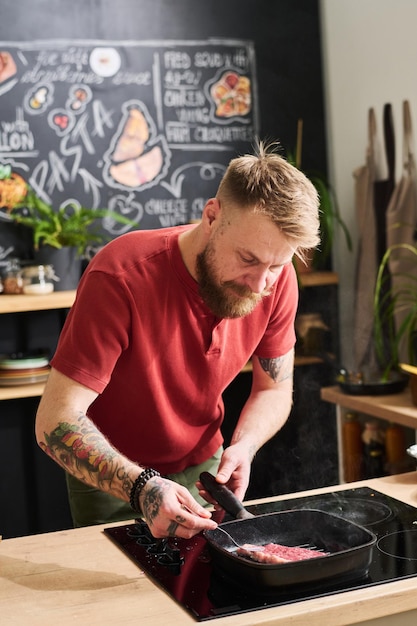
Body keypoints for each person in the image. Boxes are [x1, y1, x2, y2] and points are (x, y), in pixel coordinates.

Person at [35, 140, 320, 539]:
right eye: (248, 259)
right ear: (211, 216)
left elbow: (274, 388)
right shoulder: (121, 275)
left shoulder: (276, 280)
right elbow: (55, 421)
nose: (260, 283)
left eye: (276, 264)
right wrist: (143, 488)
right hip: (113, 476)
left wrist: (245, 446)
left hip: (206, 469)